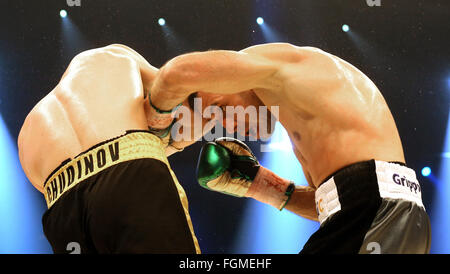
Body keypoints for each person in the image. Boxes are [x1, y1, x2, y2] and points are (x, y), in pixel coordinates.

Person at [148, 42, 431, 254]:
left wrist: (156, 122)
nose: (226, 124)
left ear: (234, 77)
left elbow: (176, 72)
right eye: (215, 121)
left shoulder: (280, 63)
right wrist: (258, 185)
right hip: (393, 219)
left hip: (376, 214)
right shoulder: (309, 117)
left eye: (220, 108)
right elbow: (337, 203)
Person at [17, 44, 201, 254]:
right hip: (132, 176)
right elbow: (180, 98)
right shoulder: (112, 55)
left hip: (61, 207)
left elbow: (91, 178)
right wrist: (173, 142)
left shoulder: (26, 132)